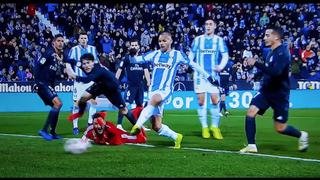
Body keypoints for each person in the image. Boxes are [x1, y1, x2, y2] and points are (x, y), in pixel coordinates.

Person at [130, 32, 219, 149]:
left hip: (165, 90)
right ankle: (176, 137)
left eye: (164, 41)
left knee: (154, 99)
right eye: (160, 41)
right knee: (156, 126)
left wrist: (208, 77)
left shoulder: (177, 55)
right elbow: (136, 60)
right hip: (152, 90)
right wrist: (131, 55)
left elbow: (193, 65)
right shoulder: (154, 54)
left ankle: (137, 125)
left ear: (170, 41)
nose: (161, 43)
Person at [240, 25, 309, 153]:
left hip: (279, 94)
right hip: (267, 91)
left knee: (280, 128)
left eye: (267, 35)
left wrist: (256, 63)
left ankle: (301, 135)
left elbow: (276, 72)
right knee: (251, 112)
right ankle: (251, 145)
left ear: (276, 37)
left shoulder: (283, 53)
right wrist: (255, 75)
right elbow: (268, 69)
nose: (264, 38)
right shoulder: (271, 51)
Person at [66, 53, 138, 128]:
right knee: (83, 98)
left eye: (88, 63)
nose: (86, 66)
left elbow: (87, 80)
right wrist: (65, 61)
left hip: (112, 88)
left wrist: (74, 76)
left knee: (124, 110)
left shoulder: (98, 70)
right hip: (100, 85)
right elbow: (73, 61)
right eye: (84, 63)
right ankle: (80, 113)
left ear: (93, 62)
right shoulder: (82, 65)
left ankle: (137, 128)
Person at [188, 18, 229, 139]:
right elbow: (190, 57)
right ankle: (205, 127)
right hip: (200, 76)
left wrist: (220, 66)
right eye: (206, 24)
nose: (208, 26)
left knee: (215, 100)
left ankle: (215, 127)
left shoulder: (219, 40)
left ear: (215, 26)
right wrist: (192, 66)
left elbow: (225, 56)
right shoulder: (197, 40)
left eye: (210, 24)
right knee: (201, 101)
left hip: (214, 75)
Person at [33, 34, 66, 140]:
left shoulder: (57, 57)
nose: (61, 43)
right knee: (58, 103)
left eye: (62, 41)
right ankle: (44, 130)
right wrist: (36, 82)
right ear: (53, 43)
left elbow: (52, 72)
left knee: (56, 106)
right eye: (58, 41)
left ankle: (52, 132)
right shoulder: (48, 53)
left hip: (49, 85)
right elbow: (38, 66)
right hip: (42, 83)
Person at [66, 31, 99, 135]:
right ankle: (75, 126)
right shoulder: (74, 50)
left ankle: (90, 124)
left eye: (85, 38)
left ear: (87, 39)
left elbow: (96, 64)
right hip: (79, 82)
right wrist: (70, 73)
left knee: (93, 103)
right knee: (76, 105)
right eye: (81, 38)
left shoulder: (92, 49)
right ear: (78, 40)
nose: (83, 40)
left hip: (91, 81)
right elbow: (68, 63)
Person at [115, 39, 151, 131]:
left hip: (140, 86)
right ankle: (119, 124)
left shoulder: (143, 58)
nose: (134, 47)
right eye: (132, 45)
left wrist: (148, 82)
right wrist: (115, 81)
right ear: (130, 47)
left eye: (136, 45)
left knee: (140, 106)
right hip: (131, 86)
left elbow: (146, 71)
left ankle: (139, 124)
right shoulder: (127, 58)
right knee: (125, 105)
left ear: (138, 46)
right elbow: (120, 70)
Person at [81, 112, 147, 145]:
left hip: (121, 136)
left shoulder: (109, 126)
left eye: (99, 123)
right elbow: (84, 138)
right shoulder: (90, 129)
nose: (98, 126)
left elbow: (117, 141)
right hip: (112, 138)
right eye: (95, 124)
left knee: (141, 139)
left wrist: (109, 142)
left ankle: (140, 128)